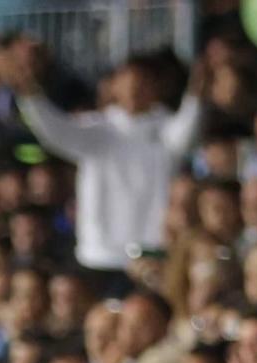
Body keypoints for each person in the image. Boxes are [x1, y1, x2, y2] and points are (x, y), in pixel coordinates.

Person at [13, 51, 202, 285]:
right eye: (128, 82)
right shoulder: (98, 129)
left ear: (156, 87)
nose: (134, 90)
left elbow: (187, 135)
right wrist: (30, 96)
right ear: (115, 86)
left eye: (141, 83)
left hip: (152, 258)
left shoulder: (167, 129)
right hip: (99, 256)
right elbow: (56, 132)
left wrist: (196, 97)